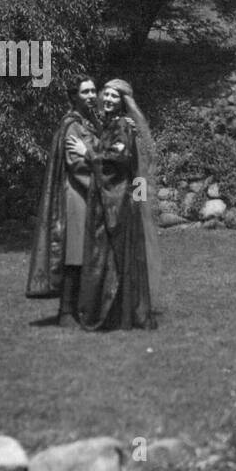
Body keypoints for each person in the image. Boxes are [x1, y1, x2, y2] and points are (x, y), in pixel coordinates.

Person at [67, 79, 161, 330]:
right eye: (105, 94)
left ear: (123, 102)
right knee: (112, 256)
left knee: (111, 255)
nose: (107, 99)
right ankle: (116, 313)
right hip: (111, 200)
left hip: (117, 203)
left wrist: (86, 152)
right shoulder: (112, 124)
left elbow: (116, 160)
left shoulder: (121, 126)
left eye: (114, 97)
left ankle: (112, 314)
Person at [26, 76, 100, 325]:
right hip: (77, 195)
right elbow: (77, 165)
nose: (91, 95)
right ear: (74, 96)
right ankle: (66, 312)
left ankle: (79, 308)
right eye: (85, 91)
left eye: (93, 91)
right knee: (75, 253)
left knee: (82, 252)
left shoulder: (88, 123)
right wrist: (105, 186)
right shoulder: (72, 126)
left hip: (86, 194)